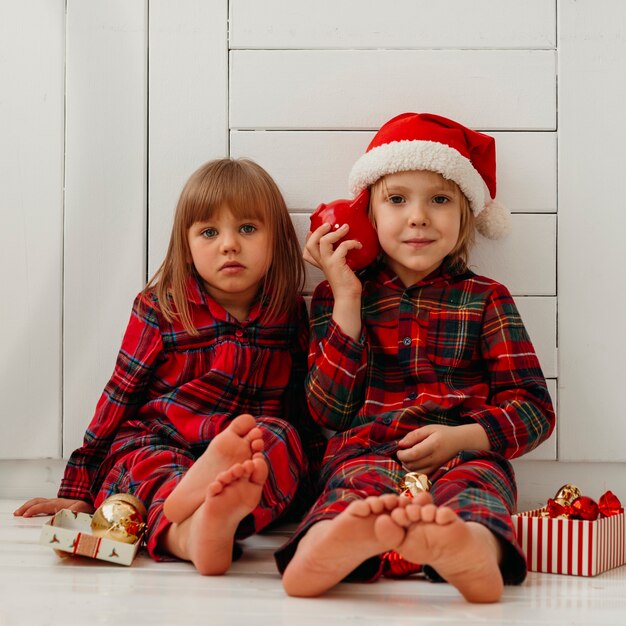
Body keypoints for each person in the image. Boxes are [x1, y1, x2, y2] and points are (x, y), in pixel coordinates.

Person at [276, 112, 555, 602]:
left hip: (464, 453)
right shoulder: (338, 297)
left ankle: (470, 548)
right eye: (397, 199)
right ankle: (324, 547)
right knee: (351, 494)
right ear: (368, 214)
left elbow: (534, 409)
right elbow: (329, 412)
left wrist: (466, 436)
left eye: (440, 200)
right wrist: (345, 298)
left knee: (478, 491)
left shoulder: (485, 299)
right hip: (366, 452)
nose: (418, 216)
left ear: (466, 214)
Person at [15, 158, 323, 575]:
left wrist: (311, 472)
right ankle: (193, 531)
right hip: (160, 440)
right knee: (146, 463)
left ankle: (213, 517)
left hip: (238, 450)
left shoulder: (285, 313)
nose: (229, 244)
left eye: (247, 229)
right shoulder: (162, 308)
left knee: (279, 438)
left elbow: (298, 407)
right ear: (187, 243)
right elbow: (118, 397)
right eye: (210, 232)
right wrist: (79, 488)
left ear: (278, 238)